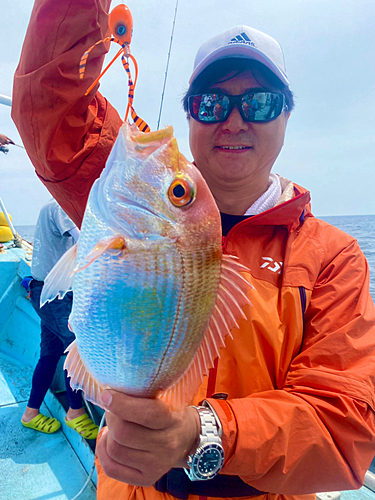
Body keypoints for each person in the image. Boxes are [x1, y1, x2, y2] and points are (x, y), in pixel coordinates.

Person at [12, 2, 375, 500]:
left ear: (287, 115)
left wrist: (201, 434)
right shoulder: (133, 195)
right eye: (211, 103)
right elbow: (52, 106)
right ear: (190, 114)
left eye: (260, 103)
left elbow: (345, 431)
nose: (233, 121)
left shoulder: (334, 257)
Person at [21, 198, 99, 439]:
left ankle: (30, 413)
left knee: (50, 354)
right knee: (74, 351)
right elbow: (87, 243)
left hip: (46, 292)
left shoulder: (52, 207)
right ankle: (75, 411)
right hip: (56, 296)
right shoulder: (62, 206)